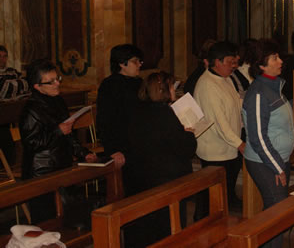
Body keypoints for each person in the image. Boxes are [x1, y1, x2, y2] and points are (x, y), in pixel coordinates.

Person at [19, 59, 96, 223]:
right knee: (48, 221)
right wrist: (57, 131)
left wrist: (83, 153)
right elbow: (31, 144)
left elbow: (68, 134)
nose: (57, 84)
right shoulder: (30, 110)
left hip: (61, 164)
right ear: (37, 87)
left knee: (67, 217)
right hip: (41, 172)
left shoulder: (58, 101)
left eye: (57, 79)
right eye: (51, 81)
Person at [126, 71, 197, 246]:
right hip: (166, 179)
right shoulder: (166, 114)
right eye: (172, 86)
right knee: (167, 229)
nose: (174, 89)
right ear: (163, 90)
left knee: (146, 227)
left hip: (141, 177)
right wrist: (188, 134)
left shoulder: (136, 111)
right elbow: (186, 149)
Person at [242, 39, 294, 248]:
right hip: (264, 162)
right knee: (278, 213)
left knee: (273, 212)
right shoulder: (257, 93)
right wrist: (276, 166)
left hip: (277, 160)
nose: (280, 61)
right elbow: (257, 137)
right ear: (261, 65)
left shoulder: (273, 86)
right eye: (275, 58)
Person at [194, 41, 244, 219]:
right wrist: (240, 144)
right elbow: (219, 122)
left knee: (223, 195)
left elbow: (238, 105)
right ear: (217, 62)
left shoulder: (226, 79)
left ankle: (218, 226)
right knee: (210, 198)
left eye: (234, 61)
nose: (234, 66)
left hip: (228, 147)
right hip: (214, 150)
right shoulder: (207, 85)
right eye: (230, 62)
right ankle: (202, 230)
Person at [96, 44, 143, 172]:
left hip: (141, 143)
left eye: (140, 61)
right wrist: (113, 150)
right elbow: (104, 121)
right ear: (122, 63)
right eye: (135, 61)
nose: (139, 64)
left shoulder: (139, 83)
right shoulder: (109, 86)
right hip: (122, 147)